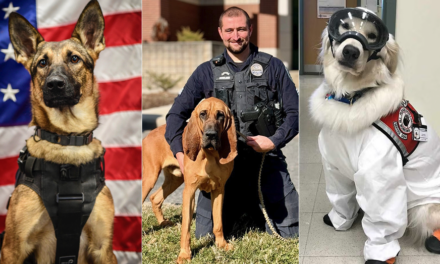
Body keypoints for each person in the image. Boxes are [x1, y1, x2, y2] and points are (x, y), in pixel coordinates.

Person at [165, 6, 299, 238]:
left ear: (251, 29)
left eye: (240, 29)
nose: (235, 36)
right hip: (220, 164)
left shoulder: (273, 67)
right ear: (220, 32)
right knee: (205, 236)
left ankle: (254, 210)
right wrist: (180, 154)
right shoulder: (206, 72)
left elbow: (295, 113)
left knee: (291, 233)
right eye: (229, 30)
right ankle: (244, 211)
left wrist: (274, 141)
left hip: (265, 163)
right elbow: (175, 115)